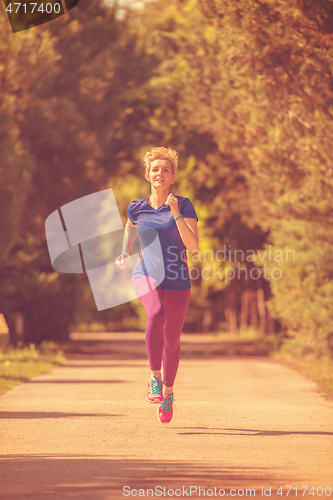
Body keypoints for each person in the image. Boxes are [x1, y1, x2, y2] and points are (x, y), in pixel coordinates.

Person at [116, 147, 199, 424]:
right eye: (155, 169)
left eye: (165, 169)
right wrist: (125, 251)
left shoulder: (184, 205)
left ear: (173, 175)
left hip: (177, 276)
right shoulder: (136, 207)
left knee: (172, 340)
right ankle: (154, 376)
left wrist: (175, 213)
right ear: (147, 175)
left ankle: (168, 393)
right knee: (156, 314)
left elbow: (194, 246)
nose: (159, 173)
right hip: (146, 273)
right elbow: (130, 226)